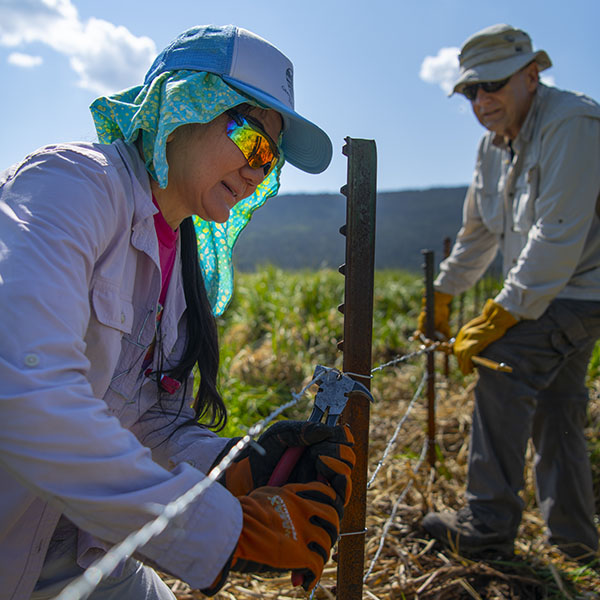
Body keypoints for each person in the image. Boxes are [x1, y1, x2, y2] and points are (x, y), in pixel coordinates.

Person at [0, 25, 356, 600]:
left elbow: (150, 419)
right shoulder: (70, 187)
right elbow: (26, 389)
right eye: (252, 141)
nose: (258, 170)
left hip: (78, 550)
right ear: (185, 102)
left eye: (272, 159)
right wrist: (225, 532)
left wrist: (240, 465)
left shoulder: (177, 258)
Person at [417, 24, 600, 563]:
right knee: (558, 406)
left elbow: (557, 236)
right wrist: (443, 294)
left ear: (531, 75)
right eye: (472, 91)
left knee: (501, 362)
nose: (483, 100)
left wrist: (499, 317)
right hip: (550, 290)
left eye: (492, 84)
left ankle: (488, 523)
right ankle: (576, 541)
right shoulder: (491, 148)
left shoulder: (574, 123)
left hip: (581, 290)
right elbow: (479, 232)